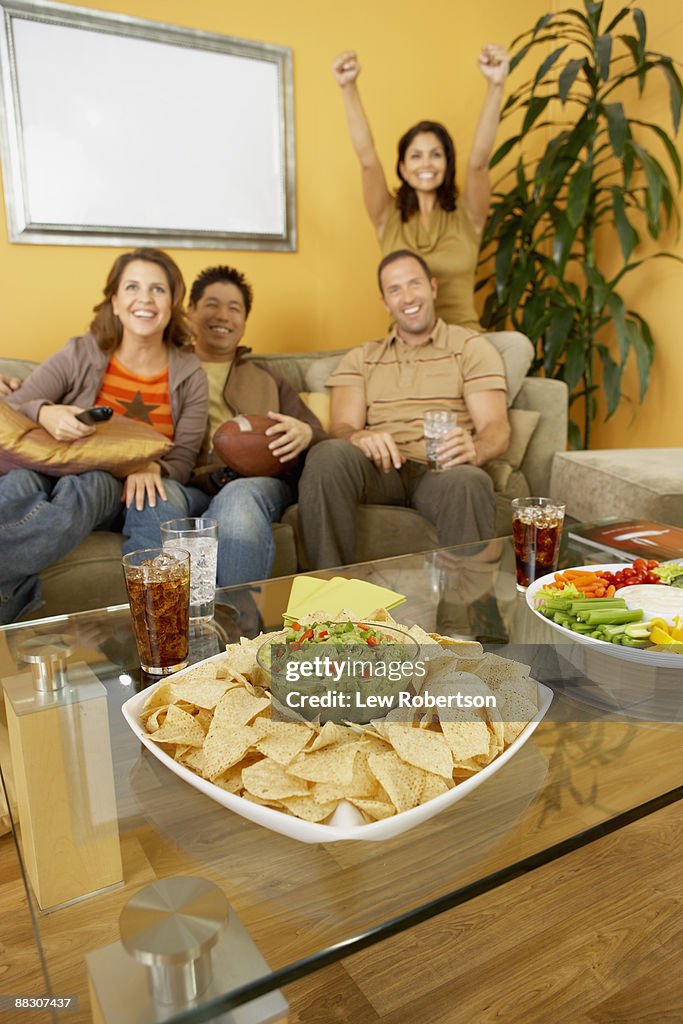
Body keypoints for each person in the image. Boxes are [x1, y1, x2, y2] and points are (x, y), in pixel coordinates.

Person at [0, 248, 208, 624]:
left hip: (112, 488)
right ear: (114, 300)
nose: (144, 299)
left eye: (157, 290)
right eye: (132, 287)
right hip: (55, 470)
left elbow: (185, 459)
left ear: (173, 302)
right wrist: (46, 411)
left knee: (96, 482)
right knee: (17, 484)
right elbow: (14, 409)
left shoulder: (189, 371)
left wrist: (152, 466)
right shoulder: (81, 352)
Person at [297, 250, 511, 569]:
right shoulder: (361, 357)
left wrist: (475, 448)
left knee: (470, 481)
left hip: (441, 470)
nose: (407, 297)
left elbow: (497, 426)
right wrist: (359, 436)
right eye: (395, 289)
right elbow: (341, 427)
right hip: (380, 469)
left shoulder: (470, 348)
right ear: (385, 302)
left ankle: (462, 616)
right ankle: (329, 598)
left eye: (414, 284)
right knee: (327, 454)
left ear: (433, 287)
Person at [123, 265, 326, 586]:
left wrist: (306, 432)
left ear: (244, 321)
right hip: (184, 481)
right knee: (152, 498)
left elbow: (317, 433)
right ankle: (163, 622)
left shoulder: (266, 377)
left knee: (238, 501)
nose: (223, 315)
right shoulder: (161, 365)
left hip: (252, 482)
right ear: (190, 312)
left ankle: (237, 625)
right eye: (212, 305)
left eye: (235, 308)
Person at [331, 45, 509, 329]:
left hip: (463, 346)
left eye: (436, 154)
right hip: (407, 349)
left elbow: (479, 162)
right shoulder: (386, 217)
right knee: (326, 369)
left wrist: (496, 84)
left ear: (447, 164)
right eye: (416, 156)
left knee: (516, 346)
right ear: (402, 168)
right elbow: (367, 159)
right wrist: (348, 87)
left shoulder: (469, 215)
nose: (426, 163)